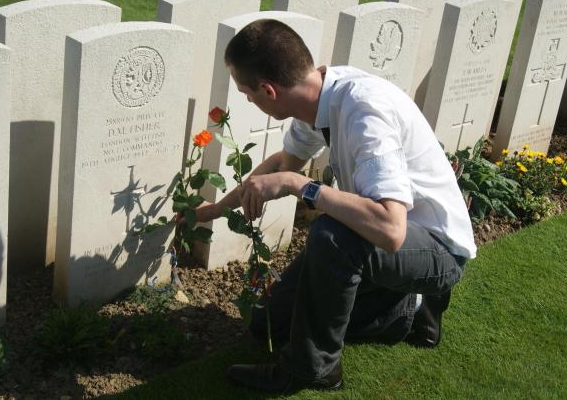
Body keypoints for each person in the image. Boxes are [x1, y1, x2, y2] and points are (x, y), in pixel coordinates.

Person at [190, 19, 477, 394]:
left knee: (332, 235)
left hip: (437, 249)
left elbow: (391, 230)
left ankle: (313, 370)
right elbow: (282, 165)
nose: (248, 100)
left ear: (268, 90)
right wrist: (211, 211)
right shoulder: (318, 95)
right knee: (269, 323)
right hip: (389, 241)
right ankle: (406, 312)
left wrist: (299, 186)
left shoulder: (364, 113)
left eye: (247, 93)